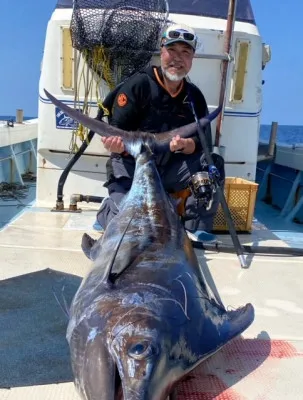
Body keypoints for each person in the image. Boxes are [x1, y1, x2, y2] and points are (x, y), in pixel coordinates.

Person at [95, 23, 225, 242]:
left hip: (172, 169)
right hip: (134, 166)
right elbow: (115, 135)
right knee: (126, 228)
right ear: (161, 50)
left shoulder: (195, 97)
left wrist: (186, 145)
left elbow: (203, 144)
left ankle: (196, 224)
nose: (177, 58)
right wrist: (114, 145)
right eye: (172, 50)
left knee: (214, 162)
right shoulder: (137, 85)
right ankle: (109, 209)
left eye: (185, 52)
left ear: (192, 59)